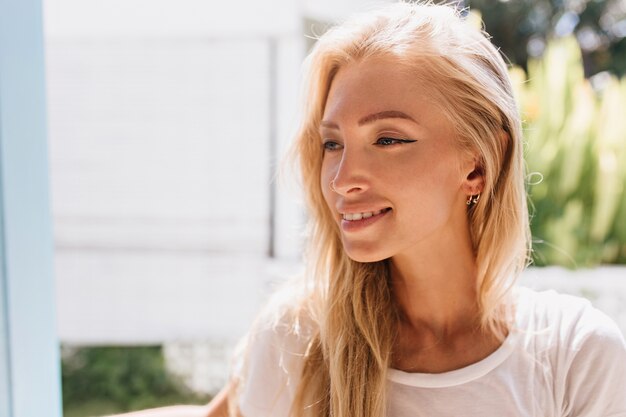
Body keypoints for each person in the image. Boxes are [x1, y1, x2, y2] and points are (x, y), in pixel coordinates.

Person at [110, 2, 626, 417]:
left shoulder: (575, 355)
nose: (342, 179)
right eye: (333, 144)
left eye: (388, 138)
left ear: (477, 164)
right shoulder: (297, 338)